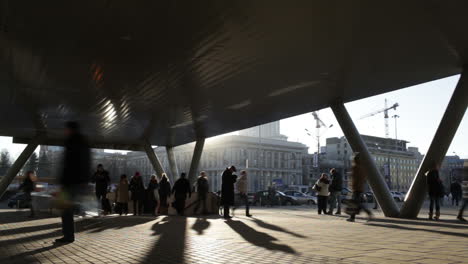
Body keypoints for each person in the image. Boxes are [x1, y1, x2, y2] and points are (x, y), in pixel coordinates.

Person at [56, 121, 90, 243]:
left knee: (66, 210)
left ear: (70, 129)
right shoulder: (82, 142)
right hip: (76, 181)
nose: (65, 131)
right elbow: (86, 163)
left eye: (66, 129)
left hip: (70, 182)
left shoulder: (72, 142)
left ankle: (69, 236)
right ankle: (69, 235)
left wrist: (62, 181)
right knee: (68, 209)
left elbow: (68, 164)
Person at [347, 153, 372, 222]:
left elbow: (354, 178)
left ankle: (368, 213)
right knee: (356, 203)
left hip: (356, 188)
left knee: (356, 203)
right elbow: (364, 178)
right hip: (360, 187)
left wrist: (352, 186)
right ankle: (352, 217)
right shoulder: (362, 167)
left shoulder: (355, 167)